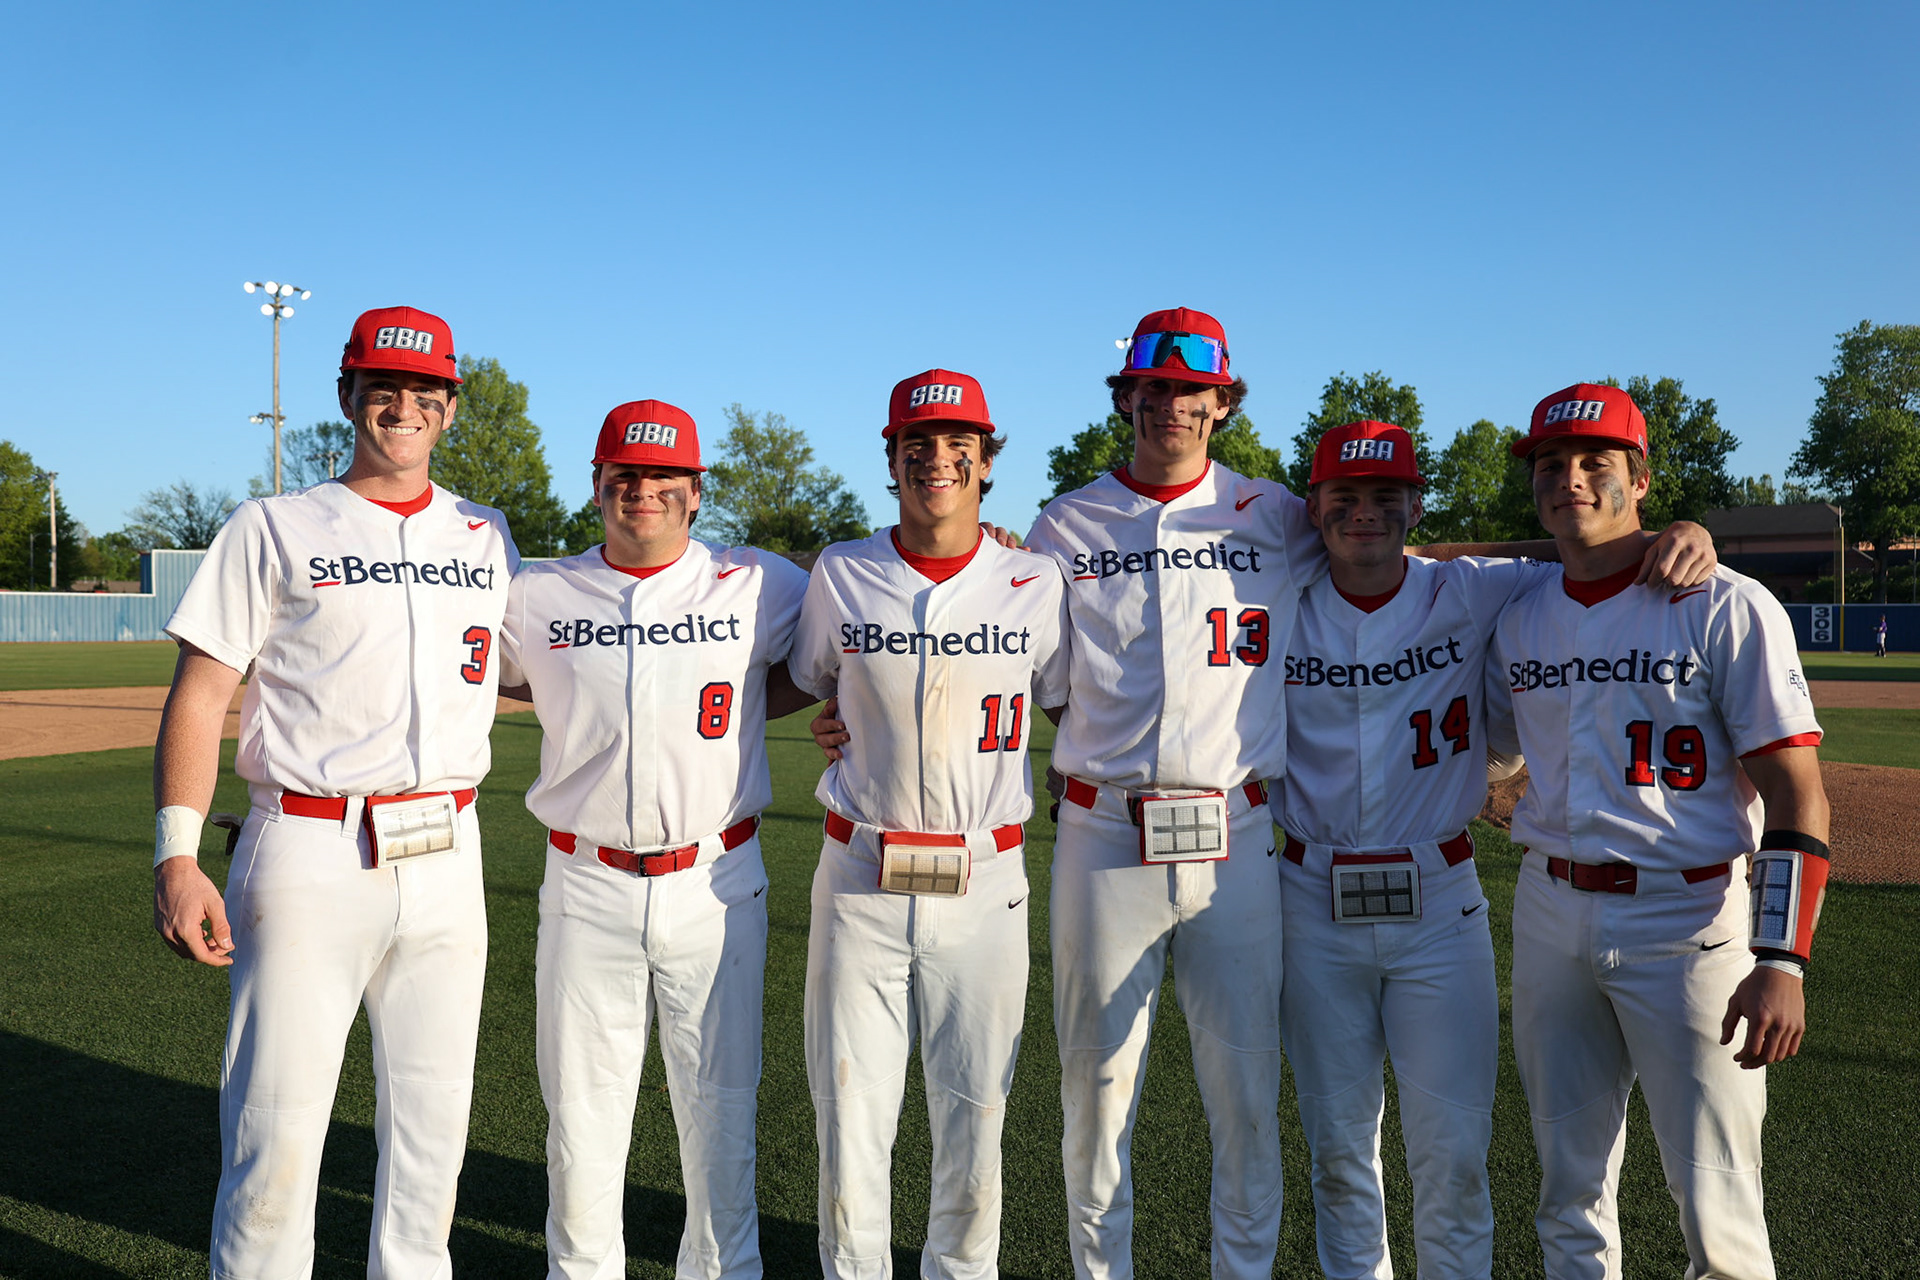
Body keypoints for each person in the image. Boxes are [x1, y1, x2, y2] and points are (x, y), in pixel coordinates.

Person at [1274, 420, 1715, 1280]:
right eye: (1344, 497)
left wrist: (1682, 532)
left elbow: (1585, 547)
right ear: (1313, 507)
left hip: (1439, 903)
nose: (1364, 514)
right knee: (1337, 1153)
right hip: (1309, 900)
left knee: (1452, 1155)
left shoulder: (1473, 590)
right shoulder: (1278, 596)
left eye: (1385, 498)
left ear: (1414, 508)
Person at [152, 306, 517, 1279]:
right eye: (383, 387)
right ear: (348, 396)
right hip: (312, 845)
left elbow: (553, 662)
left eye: (424, 391)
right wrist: (176, 853)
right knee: (276, 1125)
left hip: (449, 850)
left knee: (435, 1124)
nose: (404, 405)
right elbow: (201, 691)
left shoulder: (489, 537)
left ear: (449, 407)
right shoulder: (273, 525)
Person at [1486, 383, 1830, 1280]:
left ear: (1640, 477)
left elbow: (1799, 798)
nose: (1570, 479)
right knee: (1567, 1188)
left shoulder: (1726, 602)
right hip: (1550, 914)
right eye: (1552, 465)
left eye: (1595, 462)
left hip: (1688, 924)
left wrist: (1782, 961)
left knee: (1717, 1208)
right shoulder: (1520, 615)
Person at [1022, 308, 1324, 1280]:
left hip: (1237, 834)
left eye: (1192, 391)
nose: (1171, 406)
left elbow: (1391, 561)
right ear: (1127, 399)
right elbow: (1030, 673)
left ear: (1222, 403)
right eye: (1151, 388)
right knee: (1096, 1093)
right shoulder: (1065, 522)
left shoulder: (1278, 513)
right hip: (1104, 836)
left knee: (1242, 1094)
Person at [498, 400, 815, 1279]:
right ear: (597, 484)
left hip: (716, 881)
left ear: (695, 489)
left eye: (663, 475)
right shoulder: (538, 592)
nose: (643, 490)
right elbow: (494, 680)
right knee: (583, 1116)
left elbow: (846, 646)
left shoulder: (760, 583)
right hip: (586, 881)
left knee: (720, 1112)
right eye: (625, 475)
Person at [788, 369, 1071, 1280]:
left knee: (975, 1112)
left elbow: (1071, 703)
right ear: (893, 458)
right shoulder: (842, 568)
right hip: (861, 875)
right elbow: (815, 682)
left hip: (985, 878)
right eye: (917, 444)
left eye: (959, 446)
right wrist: (835, 719)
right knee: (850, 1111)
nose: (937, 459)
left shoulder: (1034, 578)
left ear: (987, 462)